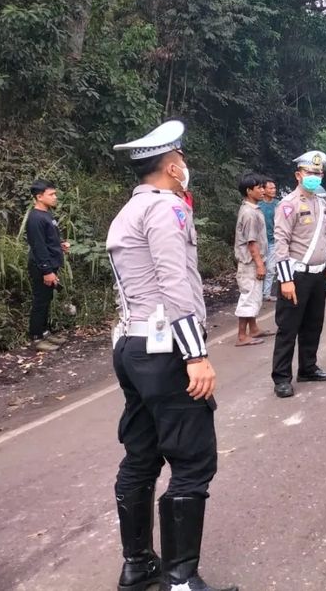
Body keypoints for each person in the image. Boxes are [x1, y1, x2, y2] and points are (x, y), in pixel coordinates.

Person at [107, 120, 237, 591]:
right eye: (182, 159)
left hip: (131, 346)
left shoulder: (127, 211)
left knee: (141, 456)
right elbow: (173, 284)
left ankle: (138, 566)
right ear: (172, 164)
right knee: (193, 461)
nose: (186, 166)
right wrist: (195, 354)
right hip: (165, 350)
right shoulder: (166, 210)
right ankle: (181, 580)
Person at [271, 150, 326, 398]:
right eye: (310, 172)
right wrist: (285, 280)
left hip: (318, 275)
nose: (315, 177)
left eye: (318, 173)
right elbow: (281, 243)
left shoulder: (321, 202)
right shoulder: (287, 205)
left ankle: (308, 368)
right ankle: (281, 378)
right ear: (298, 175)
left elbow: (323, 237)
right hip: (296, 276)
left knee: (313, 325)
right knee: (288, 328)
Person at [25, 179, 70, 350]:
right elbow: (38, 247)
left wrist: (60, 245)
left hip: (50, 264)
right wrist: (47, 271)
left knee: (47, 298)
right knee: (40, 301)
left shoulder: (47, 214)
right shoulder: (35, 218)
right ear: (39, 197)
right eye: (51, 194)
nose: (55, 197)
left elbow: (48, 240)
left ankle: (45, 333)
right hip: (42, 267)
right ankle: (36, 337)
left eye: (54, 193)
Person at [233, 173, 271, 347]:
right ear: (249, 191)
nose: (263, 191)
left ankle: (253, 328)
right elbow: (252, 242)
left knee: (254, 296)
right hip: (250, 263)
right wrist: (260, 264)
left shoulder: (253, 209)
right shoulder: (249, 213)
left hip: (253, 261)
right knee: (248, 297)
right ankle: (242, 335)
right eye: (259, 188)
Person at [259, 178, 278, 301]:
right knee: (259, 268)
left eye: (274, 188)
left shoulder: (279, 204)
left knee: (271, 268)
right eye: (270, 188)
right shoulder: (258, 205)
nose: (273, 190)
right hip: (259, 242)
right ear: (264, 190)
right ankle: (257, 293)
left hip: (273, 241)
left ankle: (266, 294)